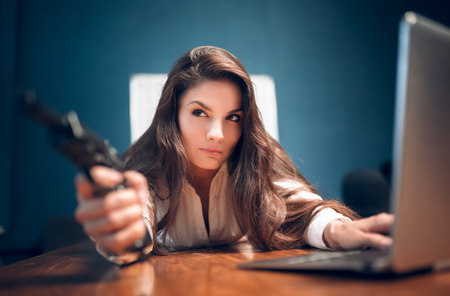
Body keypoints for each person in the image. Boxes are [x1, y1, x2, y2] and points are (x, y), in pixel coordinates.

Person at [75, 46, 394, 265]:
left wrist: (337, 231)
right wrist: (124, 236)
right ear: (173, 114)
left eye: (233, 117)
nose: (217, 133)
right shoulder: (147, 171)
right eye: (200, 112)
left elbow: (297, 203)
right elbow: (137, 219)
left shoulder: (255, 157)